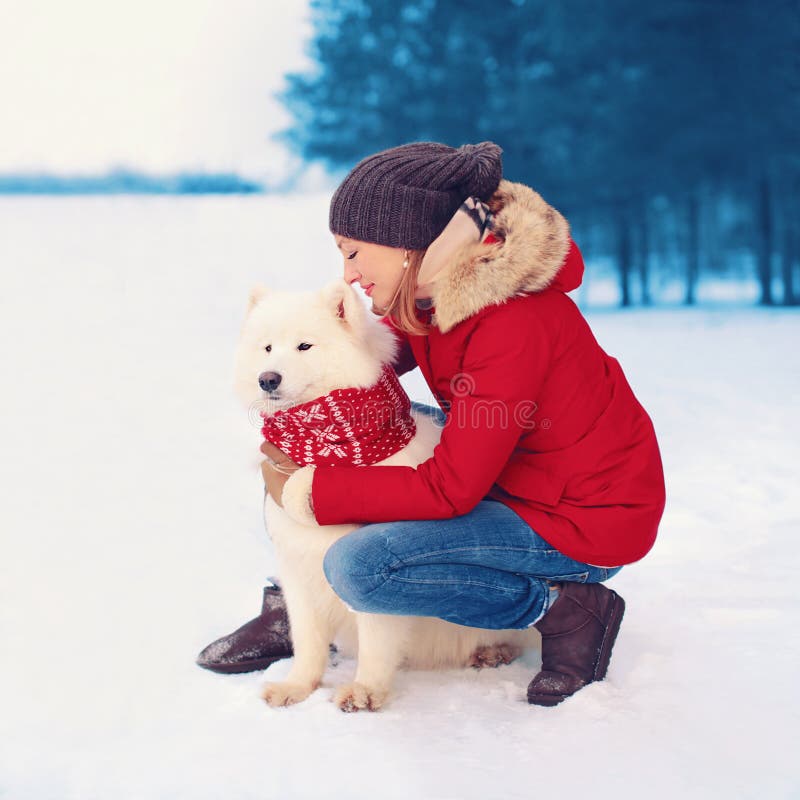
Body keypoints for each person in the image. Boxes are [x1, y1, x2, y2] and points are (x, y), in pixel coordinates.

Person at [197, 141, 666, 706]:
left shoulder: (511, 322)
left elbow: (450, 488)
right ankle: (294, 606)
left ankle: (564, 609)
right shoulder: (431, 291)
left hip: (583, 517)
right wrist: (302, 382)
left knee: (362, 565)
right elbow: (367, 364)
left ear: (405, 246)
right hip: (514, 475)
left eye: (354, 253)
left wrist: (315, 492)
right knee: (326, 433)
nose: (348, 274)